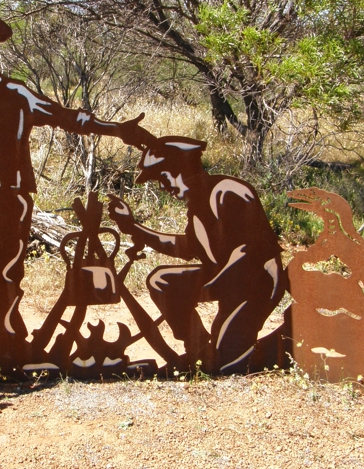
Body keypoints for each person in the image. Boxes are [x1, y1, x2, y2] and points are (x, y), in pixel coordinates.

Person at [0, 6, 151, 370]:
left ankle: (10, 350)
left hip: (13, 199)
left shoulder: (16, 92)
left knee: (9, 277)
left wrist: (116, 129)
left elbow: (67, 117)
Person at [107, 136, 287, 374]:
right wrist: (133, 227)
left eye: (163, 176)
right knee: (162, 280)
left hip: (255, 285)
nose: (162, 186)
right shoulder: (198, 204)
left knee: (227, 364)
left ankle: (278, 344)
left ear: (181, 167)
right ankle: (199, 349)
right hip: (227, 281)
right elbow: (187, 247)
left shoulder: (227, 192)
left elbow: (248, 253)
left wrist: (210, 286)